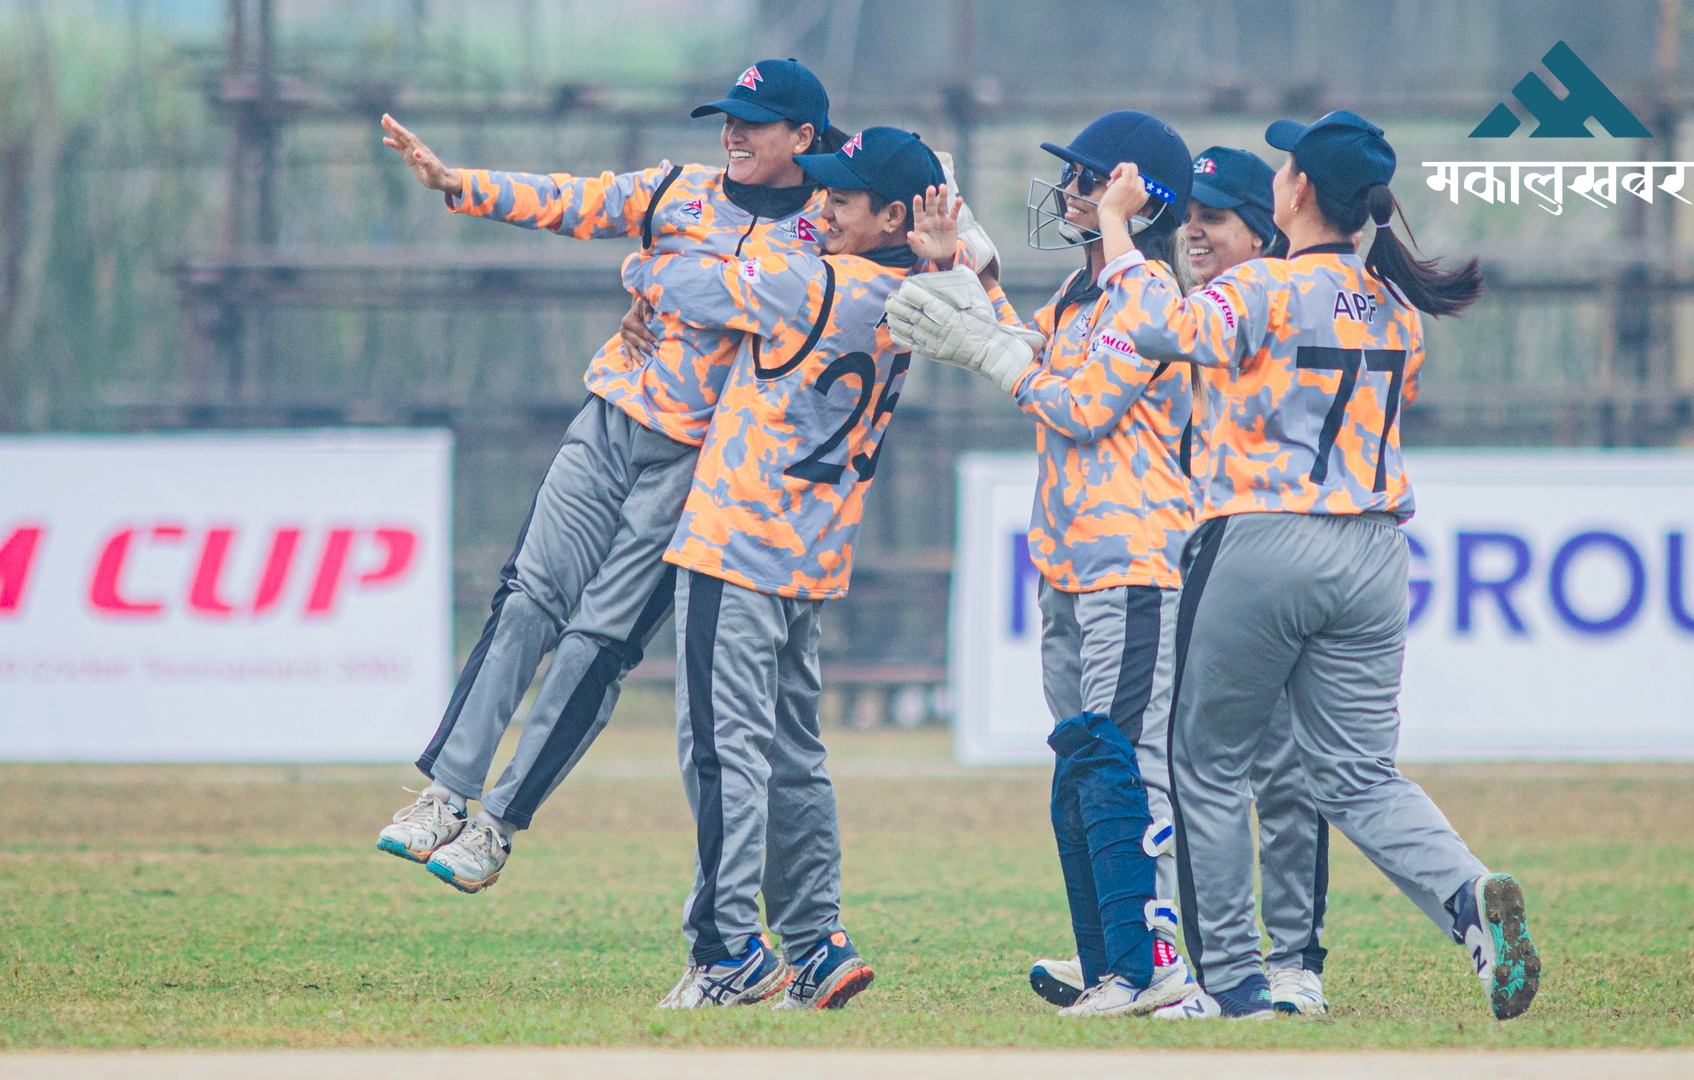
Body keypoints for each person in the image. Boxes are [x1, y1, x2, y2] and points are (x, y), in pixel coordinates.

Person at [1085, 110, 1541, 1021]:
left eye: (1286, 167)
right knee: (1359, 772)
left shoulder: (1263, 288)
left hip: (1259, 537)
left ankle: (1236, 985)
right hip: (1372, 552)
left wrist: (1116, 234)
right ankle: (1466, 896)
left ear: (1294, 193)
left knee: (1206, 767)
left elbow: (1161, 331)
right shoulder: (1399, 310)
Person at [371, 60, 842, 894]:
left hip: (703, 468)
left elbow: (780, 288)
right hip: (609, 419)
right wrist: (457, 183)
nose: (732, 133)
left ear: (803, 137)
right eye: (727, 118)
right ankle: (445, 793)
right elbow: (574, 200)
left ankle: (497, 827)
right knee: (527, 602)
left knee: (596, 646)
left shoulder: (826, 226)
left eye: (755, 122)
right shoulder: (677, 190)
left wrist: (647, 276)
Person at [626, 127, 947, 1009]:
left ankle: (729, 950)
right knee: (794, 756)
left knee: (722, 755)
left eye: (843, 198)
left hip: (736, 545)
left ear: (894, 214)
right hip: (810, 553)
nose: (823, 206)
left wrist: (643, 265)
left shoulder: (814, 280)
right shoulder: (922, 291)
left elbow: (686, 281)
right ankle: (815, 943)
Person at [886, 111, 1198, 1018]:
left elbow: (1084, 407)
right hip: (1072, 560)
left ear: (1131, 200)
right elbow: (1033, 352)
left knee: (1131, 765)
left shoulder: (1148, 296)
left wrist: (989, 349)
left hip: (1134, 557)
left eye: (1087, 181)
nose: (1067, 194)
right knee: (1087, 764)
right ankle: (1116, 954)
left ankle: (1157, 966)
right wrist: (955, 267)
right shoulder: (1081, 294)